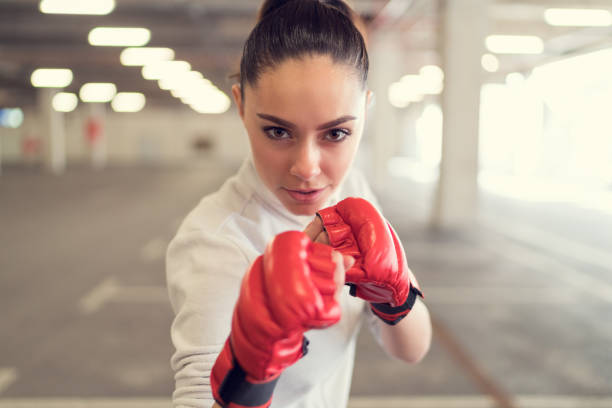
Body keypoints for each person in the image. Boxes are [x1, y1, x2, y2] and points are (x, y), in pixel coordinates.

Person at [165, 1, 432, 407]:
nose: (307, 168)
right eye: (277, 131)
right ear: (240, 105)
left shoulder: (352, 190)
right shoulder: (215, 243)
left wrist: (396, 298)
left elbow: (411, 349)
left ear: (365, 110)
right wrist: (247, 374)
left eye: (336, 134)